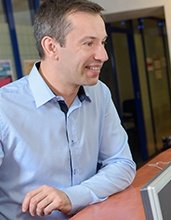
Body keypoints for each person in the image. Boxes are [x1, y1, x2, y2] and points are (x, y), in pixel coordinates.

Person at [0, 0, 136, 219]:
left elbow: (122, 164)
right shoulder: (3, 108)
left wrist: (71, 196)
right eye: (89, 43)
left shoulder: (100, 92)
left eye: (102, 42)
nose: (103, 55)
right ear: (51, 47)